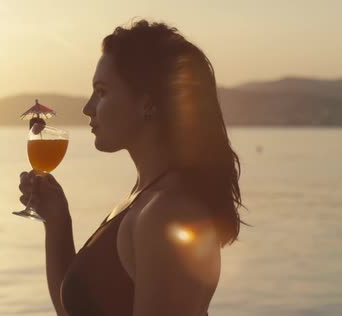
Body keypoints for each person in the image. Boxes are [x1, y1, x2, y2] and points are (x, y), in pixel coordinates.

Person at [17, 19, 244, 316]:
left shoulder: (167, 214)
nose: (87, 107)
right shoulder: (144, 198)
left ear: (147, 104)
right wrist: (57, 222)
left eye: (102, 92)